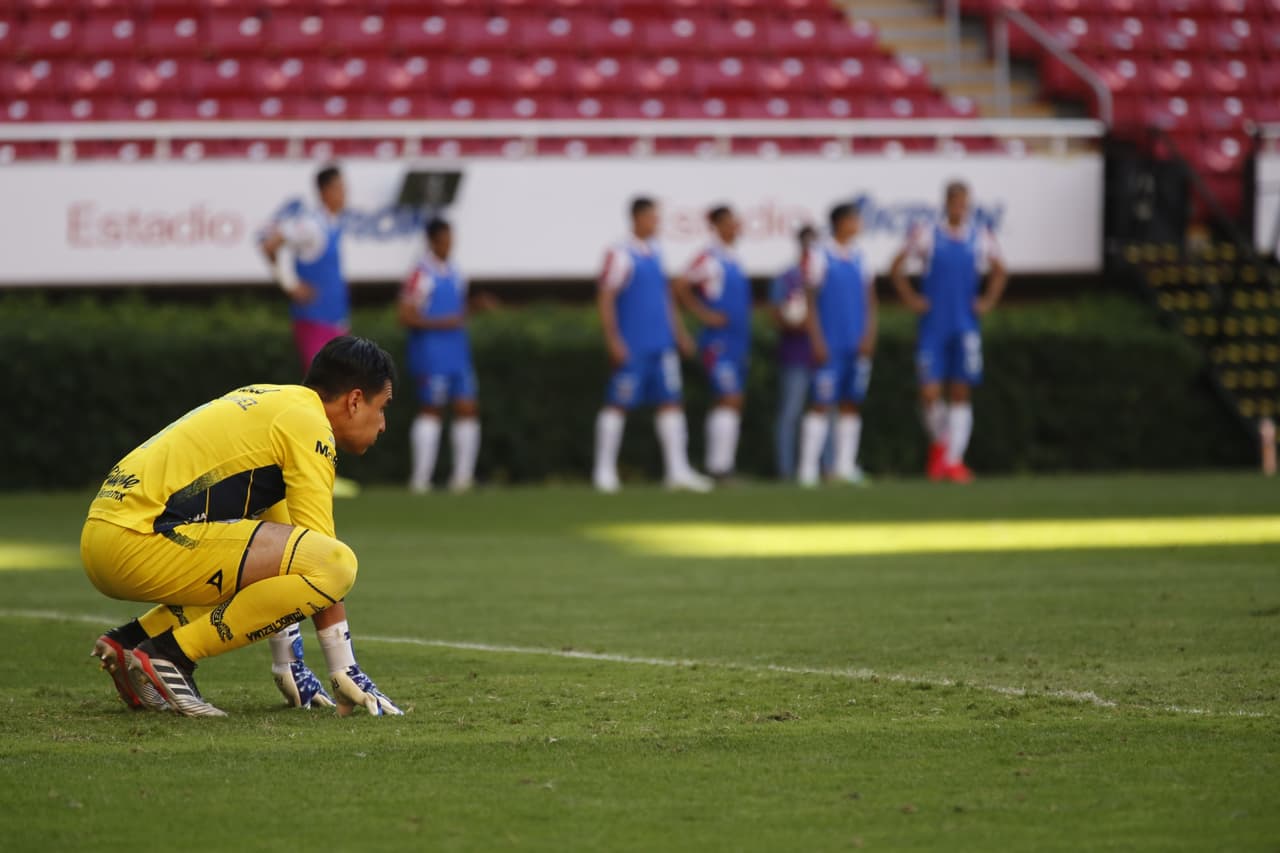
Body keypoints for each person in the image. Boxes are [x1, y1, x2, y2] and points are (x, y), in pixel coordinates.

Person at [83, 336, 403, 718]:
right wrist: (343, 667)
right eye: (382, 408)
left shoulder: (275, 401)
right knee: (337, 564)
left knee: (296, 558)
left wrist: (289, 664)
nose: (383, 425)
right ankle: (170, 655)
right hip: (138, 539)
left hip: (104, 536)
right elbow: (321, 558)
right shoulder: (309, 425)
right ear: (354, 400)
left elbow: (282, 562)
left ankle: (135, 641)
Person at [889, 181, 1007, 483]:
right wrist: (912, 299)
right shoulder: (928, 234)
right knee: (929, 392)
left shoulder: (979, 236)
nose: (958, 208)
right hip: (933, 324)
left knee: (960, 390)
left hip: (965, 324)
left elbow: (1000, 270)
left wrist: (987, 300)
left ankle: (953, 460)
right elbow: (896, 267)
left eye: (963, 203)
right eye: (954, 202)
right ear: (946, 204)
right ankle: (942, 444)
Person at [592, 197, 712, 493]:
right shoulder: (619, 253)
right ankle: (604, 471)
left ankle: (677, 470)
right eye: (651, 217)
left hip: (662, 345)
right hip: (633, 345)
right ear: (637, 218)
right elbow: (605, 296)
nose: (656, 223)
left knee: (671, 403)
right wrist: (613, 338)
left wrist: (680, 333)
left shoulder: (656, 252)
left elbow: (665, 298)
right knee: (617, 404)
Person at [797, 202, 878, 488]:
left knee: (851, 404)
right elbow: (809, 299)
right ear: (841, 223)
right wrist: (816, 338)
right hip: (830, 344)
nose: (858, 225)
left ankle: (845, 466)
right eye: (854, 220)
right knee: (820, 403)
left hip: (855, 344)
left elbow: (869, 299)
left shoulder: (860, 257)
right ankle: (807, 470)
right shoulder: (820, 256)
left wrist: (869, 335)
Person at [400, 218, 481, 494]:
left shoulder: (456, 272)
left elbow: (458, 312)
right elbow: (406, 315)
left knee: (467, 409)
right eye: (444, 240)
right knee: (431, 410)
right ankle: (421, 480)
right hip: (431, 353)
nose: (449, 245)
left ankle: (462, 478)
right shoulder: (421, 274)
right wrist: (440, 323)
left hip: (458, 352)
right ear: (433, 241)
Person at [674, 205, 751, 481]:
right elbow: (680, 286)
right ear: (717, 226)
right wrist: (704, 314)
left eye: (736, 222)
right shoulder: (709, 258)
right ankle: (719, 467)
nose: (735, 227)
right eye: (729, 223)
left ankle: (721, 464)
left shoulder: (734, 259)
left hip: (738, 341)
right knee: (729, 397)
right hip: (718, 343)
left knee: (732, 400)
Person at [259, 164, 351, 374]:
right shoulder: (311, 225)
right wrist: (290, 285)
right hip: (314, 320)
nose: (345, 193)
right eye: (340, 188)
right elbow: (269, 246)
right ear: (325, 191)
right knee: (322, 388)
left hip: (335, 320)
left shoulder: (332, 224)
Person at [769, 224, 820, 481]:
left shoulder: (824, 274)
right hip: (795, 352)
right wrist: (792, 323)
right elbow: (775, 313)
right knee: (791, 412)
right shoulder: (787, 277)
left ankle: (827, 468)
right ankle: (786, 470)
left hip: (824, 355)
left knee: (824, 411)